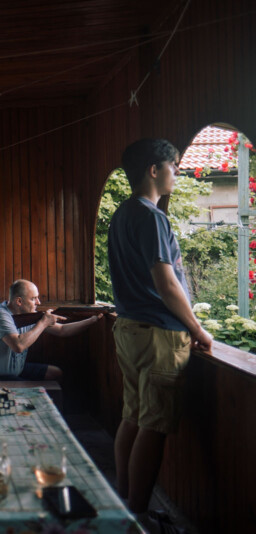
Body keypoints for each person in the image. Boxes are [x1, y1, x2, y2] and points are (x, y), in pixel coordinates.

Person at [108, 139, 213, 521]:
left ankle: (123, 503)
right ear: (154, 170)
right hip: (158, 333)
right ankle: (136, 516)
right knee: (152, 424)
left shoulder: (121, 215)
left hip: (129, 328)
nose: (177, 172)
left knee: (132, 416)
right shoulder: (151, 216)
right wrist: (198, 329)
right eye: (174, 166)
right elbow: (167, 284)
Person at [0, 279, 102, 380]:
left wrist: (92, 320)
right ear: (19, 301)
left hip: (17, 370)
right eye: (33, 299)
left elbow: (62, 330)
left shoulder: (27, 315)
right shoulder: (0, 315)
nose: (38, 302)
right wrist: (43, 322)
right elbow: (18, 346)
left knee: (55, 373)